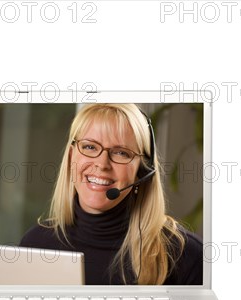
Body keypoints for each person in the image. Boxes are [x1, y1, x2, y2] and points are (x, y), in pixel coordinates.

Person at [19, 103, 202, 285]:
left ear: (143, 170)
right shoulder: (36, 244)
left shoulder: (186, 255)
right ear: (71, 157)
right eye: (90, 147)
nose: (102, 163)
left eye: (121, 152)